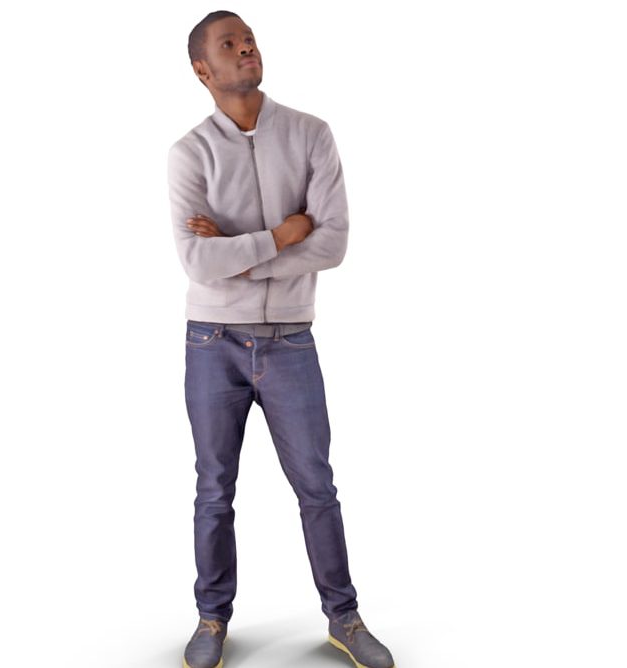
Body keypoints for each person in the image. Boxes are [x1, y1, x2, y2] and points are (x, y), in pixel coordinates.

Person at [167, 10, 396, 668]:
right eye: (229, 44)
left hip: (291, 339)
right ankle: (212, 619)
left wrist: (239, 253)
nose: (247, 48)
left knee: (317, 487)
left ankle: (344, 617)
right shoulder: (189, 153)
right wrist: (282, 235)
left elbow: (334, 242)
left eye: (249, 39)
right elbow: (197, 262)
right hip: (212, 341)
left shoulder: (311, 134)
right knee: (214, 491)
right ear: (202, 69)